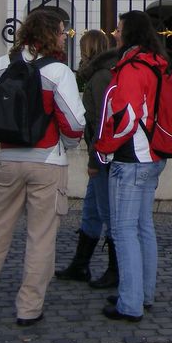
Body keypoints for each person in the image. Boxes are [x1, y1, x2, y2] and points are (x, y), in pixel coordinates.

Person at [0, 9, 85, 325]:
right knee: (41, 237)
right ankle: (29, 308)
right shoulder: (59, 72)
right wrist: (66, 144)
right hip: (48, 161)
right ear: (51, 35)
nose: (64, 36)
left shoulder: (3, 64)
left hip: (9, 159)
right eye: (61, 31)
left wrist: (6, 133)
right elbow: (74, 123)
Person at [95, 10, 168, 322]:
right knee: (143, 227)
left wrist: (104, 148)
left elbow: (125, 117)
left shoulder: (131, 67)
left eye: (118, 28)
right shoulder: (154, 63)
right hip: (152, 156)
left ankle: (130, 303)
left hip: (131, 158)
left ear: (129, 33)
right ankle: (141, 293)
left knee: (124, 231)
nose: (114, 33)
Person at [56, 30, 120, 288]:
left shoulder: (101, 76)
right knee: (91, 211)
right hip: (100, 153)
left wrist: (94, 160)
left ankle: (115, 269)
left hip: (103, 156)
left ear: (89, 50)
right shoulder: (99, 74)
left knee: (108, 212)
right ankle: (80, 264)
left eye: (82, 48)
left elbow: (101, 123)